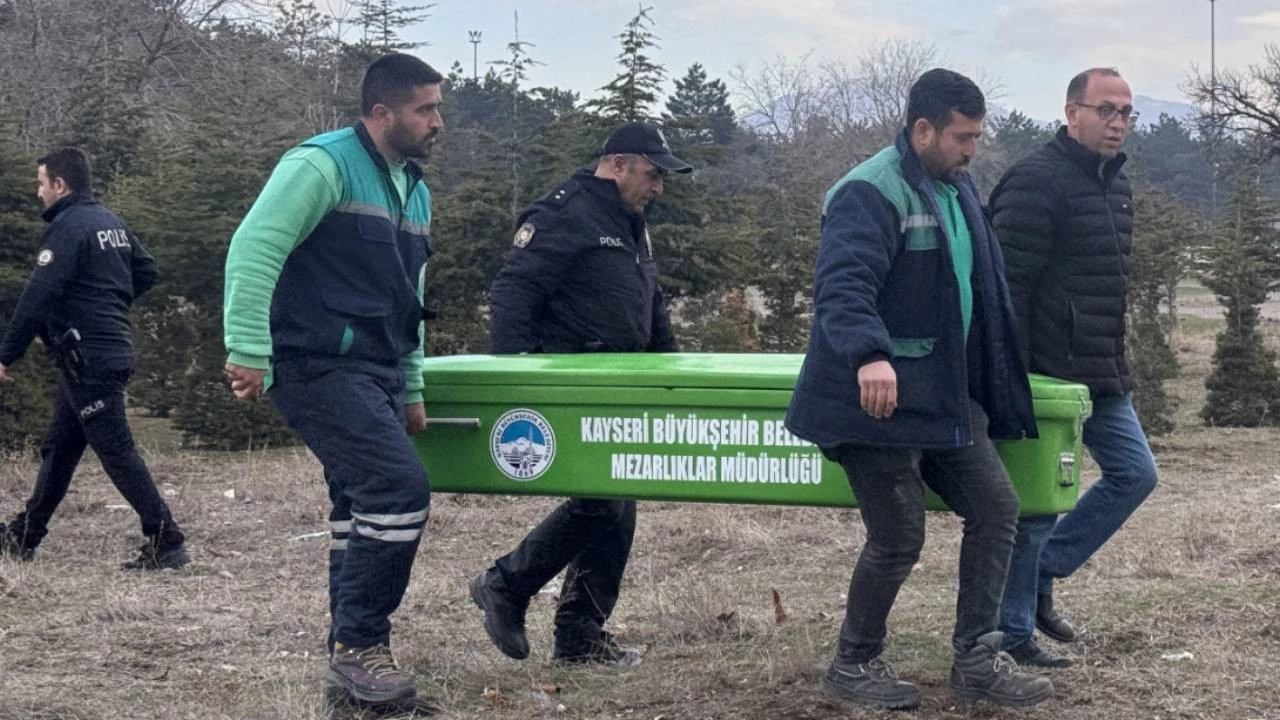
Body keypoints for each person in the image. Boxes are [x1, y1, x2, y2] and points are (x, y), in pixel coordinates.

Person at [784, 69, 1053, 710]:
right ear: (923, 129)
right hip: (874, 402)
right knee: (899, 537)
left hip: (942, 397)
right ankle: (852, 664)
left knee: (997, 510)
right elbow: (843, 286)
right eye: (963, 137)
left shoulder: (956, 188)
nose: (972, 150)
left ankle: (977, 661)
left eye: (977, 138)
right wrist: (870, 354)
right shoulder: (869, 191)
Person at [222, 53, 442, 711]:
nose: (437, 122)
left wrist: (411, 385)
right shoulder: (322, 165)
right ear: (381, 112)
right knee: (397, 489)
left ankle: (350, 671)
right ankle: (361, 647)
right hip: (315, 363)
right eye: (425, 109)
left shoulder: (415, 190)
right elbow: (254, 246)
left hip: (378, 368)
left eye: (438, 109)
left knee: (358, 507)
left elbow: (410, 296)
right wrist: (247, 349)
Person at [468, 122, 690, 666]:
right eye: (652, 173)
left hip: (621, 381)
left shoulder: (630, 220)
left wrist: (671, 369)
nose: (658, 186)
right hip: (570, 383)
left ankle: (580, 636)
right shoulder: (564, 213)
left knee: (619, 501)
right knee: (602, 501)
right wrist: (514, 383)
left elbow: (647, 299)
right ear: (617, 164)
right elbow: (513, 292)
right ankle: (506, 583)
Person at [990, 67, 1157, 668]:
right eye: (1105, 110)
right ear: (1071, 113)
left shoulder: (1117, 185)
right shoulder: (1035, 181)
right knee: (1037, 508)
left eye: (1125, 113)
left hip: (1102, 370)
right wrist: (1013, 379)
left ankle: (1042, 574)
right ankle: (1012, 636)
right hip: (1044, 376)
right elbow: (1006, 286)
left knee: (1135, 475)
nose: (1117, 123)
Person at [0, 148, 189, 570]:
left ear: (60, 184)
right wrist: (107, 303)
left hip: (89, 358)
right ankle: (24, 536)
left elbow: (37, 296)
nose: (38, 192)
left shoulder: (68, 228)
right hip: (102, 352)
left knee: (116, 450)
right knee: (60, 449)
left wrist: (6, 354)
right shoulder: (109, 222)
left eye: (41, 183)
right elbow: (147, 270)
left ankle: (167, 539)